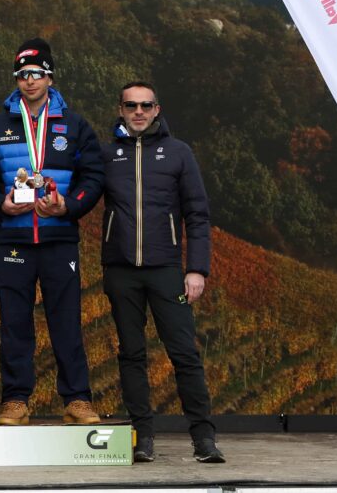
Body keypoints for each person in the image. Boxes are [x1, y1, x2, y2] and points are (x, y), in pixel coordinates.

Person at [0, 39, 104, 426]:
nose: (29, 81)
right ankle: (15, 400)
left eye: (36, 74)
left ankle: (77, 400)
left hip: (59, 238)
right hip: (14, 239)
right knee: (14, 323)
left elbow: (93, 178)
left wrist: (69, 205)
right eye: (22, 75)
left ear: (49, 77)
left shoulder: (74, 126)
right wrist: (1, 204)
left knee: (67, 321)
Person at [100, 81, 225, 463]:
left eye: (146, 105)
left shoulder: (178, 153)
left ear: (157, 109)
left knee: (184, 354)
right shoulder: (106, 154)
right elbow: (80, 197)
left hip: (168, 269)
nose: (138, 111)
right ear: (120, 110)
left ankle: (204, 440)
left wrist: (197, 269)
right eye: (131, 105)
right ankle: (143, 439)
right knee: (131, 355)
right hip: (120, 270)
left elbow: (198, 215)